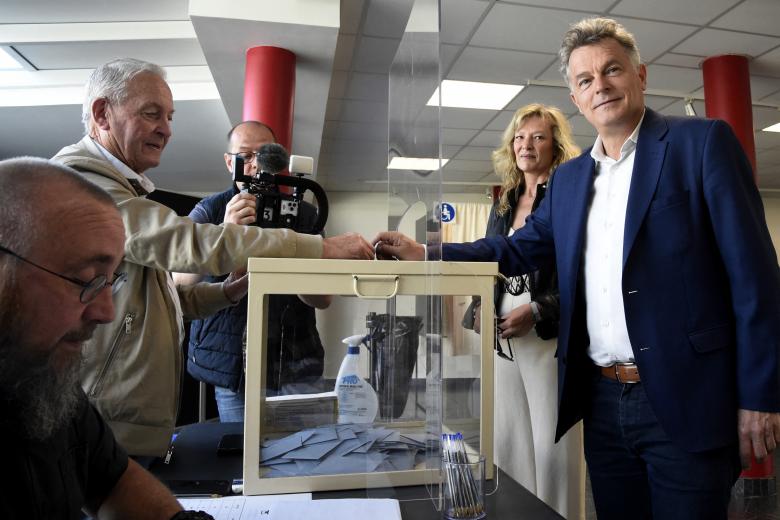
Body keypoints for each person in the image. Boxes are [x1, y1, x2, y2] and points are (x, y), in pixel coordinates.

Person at [374, 17, 780, 520]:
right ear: (576, 95)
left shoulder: (701, 145)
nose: (601, 85)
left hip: (685, 398)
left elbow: (756, 280)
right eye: (585, 80)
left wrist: (760, 397)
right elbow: (519, 249)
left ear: (641, 76)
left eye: (612, 70)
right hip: (603, 401)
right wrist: (429, 255)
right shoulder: (568, 181)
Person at [52, 58, 374, 458]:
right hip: (116, 413)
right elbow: (184, 254)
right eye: (152, 114)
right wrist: (319, 249)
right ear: (103, 113)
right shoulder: (90, 185)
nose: (166, 129)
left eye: (169, 117)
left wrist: (231, 289)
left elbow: (164, 295)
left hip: (291, 363)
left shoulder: (302, 212)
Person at [0, 157, 213, 520]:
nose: (106, 312)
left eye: (110, 282)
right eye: (85, 280)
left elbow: (113, 478)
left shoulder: (46, 381)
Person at [465, 103, 583, 518]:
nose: (526, 145)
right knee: (509, 442)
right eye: (519, 136)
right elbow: (488, 260)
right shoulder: (503, 202)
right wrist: (478, 306)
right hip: (501, 343)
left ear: (556, 146)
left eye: (538, 137)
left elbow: (582, 277)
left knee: (552, 446)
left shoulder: (569, 197)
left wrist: (535, 310)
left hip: (548, 340)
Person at [173, 121, 332, 422]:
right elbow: (178, 285)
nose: (255, 165)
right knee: (241, 458)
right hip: (232, 366)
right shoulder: (210, 211)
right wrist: (225, 233)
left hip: (296, 361)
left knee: (302, 459)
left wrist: (292, 253)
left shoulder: (302, 213)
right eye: (244, 156)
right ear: (228, 161)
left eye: (263, 155)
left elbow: (323, 298)